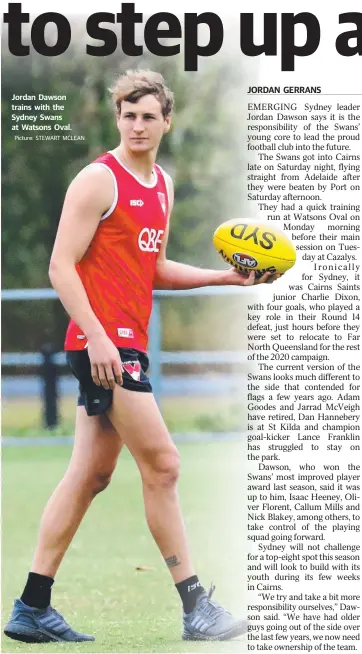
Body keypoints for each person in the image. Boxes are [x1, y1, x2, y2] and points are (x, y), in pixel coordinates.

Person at [5, 69, 280, 644]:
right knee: (165, 464)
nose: (136, 124)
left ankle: (32, 607)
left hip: (119, 341)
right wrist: (99, 337)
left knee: (91, 475)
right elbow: (60, 265)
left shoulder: (161, 185)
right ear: (118, 118)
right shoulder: (97, 180)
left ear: (165, 122)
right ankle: (196, 606)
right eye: (128, 114)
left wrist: (223, 279)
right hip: (103, 345)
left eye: (147, 115)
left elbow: (150, 269)